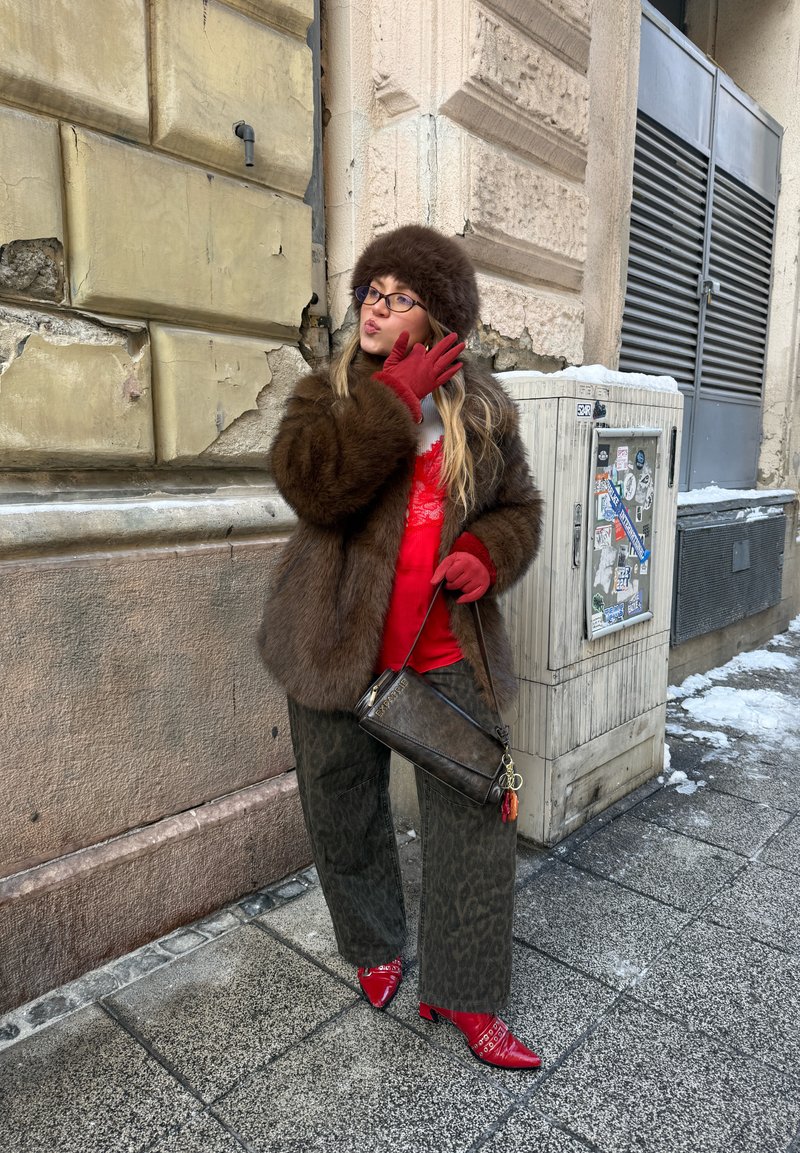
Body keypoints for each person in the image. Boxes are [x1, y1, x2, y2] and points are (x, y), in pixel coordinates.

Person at [259, 224, 543, 1069]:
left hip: (443, 651)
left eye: (399, 296)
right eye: (370, 293)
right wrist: (393, 401)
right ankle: (375, 945)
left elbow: (519, 509)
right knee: (343, 808)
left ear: (441, 318)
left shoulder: (486, 414)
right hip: (330, 646)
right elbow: (310, 484)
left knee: (475, 818)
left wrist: (487, 554)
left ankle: (464, 993)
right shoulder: (330, 393)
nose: (375, 307)